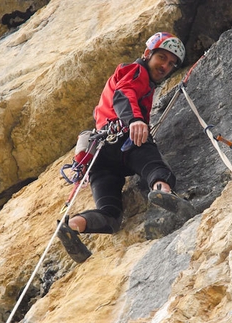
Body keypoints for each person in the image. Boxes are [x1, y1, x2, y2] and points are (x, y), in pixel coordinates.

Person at [58, 32, 196, 263]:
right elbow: (124, 94)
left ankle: (72, 226)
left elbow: (106, 107)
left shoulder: (135, 80)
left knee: (110, 216)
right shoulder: (136, 71)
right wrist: (135, 120)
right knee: (154, 165)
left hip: (100, 156)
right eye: (161, 57)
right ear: (147, 54)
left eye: (171, 64)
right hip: (123, 140)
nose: (165, 66)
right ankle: (164, 192)